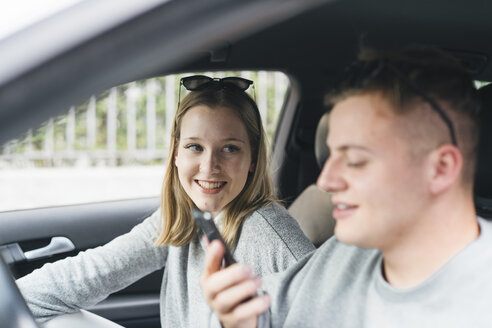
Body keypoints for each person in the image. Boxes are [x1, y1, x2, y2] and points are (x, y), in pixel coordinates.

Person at [201, 45, 492, 327]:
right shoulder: (347, 252)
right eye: (330, 155)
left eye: (354, 160)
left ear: (440, 169)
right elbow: (263, 311)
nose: (326, 182)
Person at [17, 76, 315, 327]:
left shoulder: (270, 233)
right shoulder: (184, 217)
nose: (209, 165)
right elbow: (91, 272)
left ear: (252, 159)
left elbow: (327, 308)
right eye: (195, 147)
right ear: (176, 154)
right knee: (44, 316)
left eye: (229, 149)